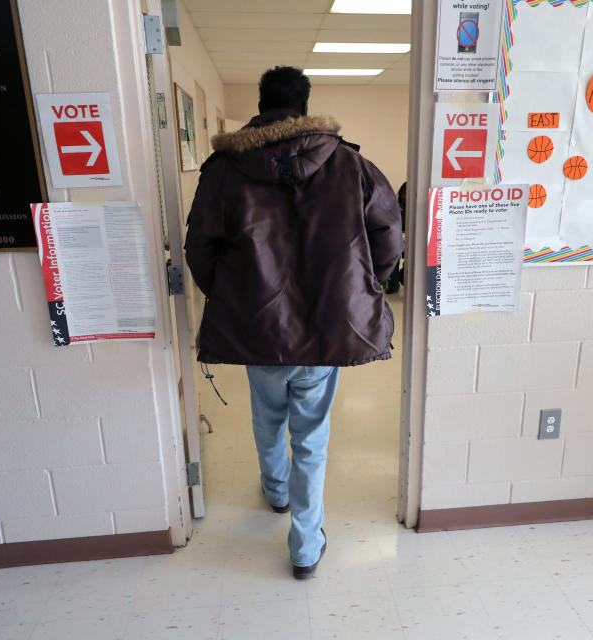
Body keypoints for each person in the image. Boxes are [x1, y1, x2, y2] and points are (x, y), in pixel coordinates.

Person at [185, 66, 403, 580]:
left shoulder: (223, 169)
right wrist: (367, 285)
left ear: (261, 104)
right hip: (326, 328)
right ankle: (305, 545)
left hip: (257, 326)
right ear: (305, 107)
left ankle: (276, 491)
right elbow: (389, 234)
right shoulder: (351, 164)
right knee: (312, 434)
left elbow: (199, 249)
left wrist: (231, 297)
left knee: (265, 413)